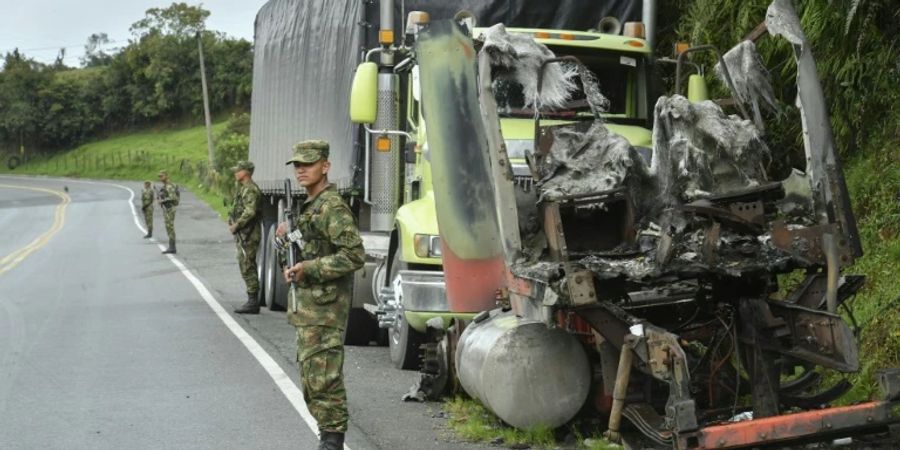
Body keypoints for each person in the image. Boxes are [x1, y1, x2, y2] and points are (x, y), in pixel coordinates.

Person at [281, 140, 364, 450]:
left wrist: (310, 268)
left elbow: (354, 255)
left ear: (325, 166)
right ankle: (327, 436)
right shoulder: (310, 207)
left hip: (326, 308)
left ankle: (332, 441)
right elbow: (306, 248)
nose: (302, 170)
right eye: (297, 165)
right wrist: (287, 247)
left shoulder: (332, 207)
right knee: (311, 378)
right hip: (309, 308)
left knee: (324, 378)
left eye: (308, 164)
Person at [230, 161, 263, 314]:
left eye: (238, 170)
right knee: (245, 264)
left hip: (248, 234)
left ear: (247, 172)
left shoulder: (250, 189)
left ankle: (253, 301)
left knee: (247, 265)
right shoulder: (243, 189)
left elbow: (250, 212)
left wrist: (237, 225)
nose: (236, 172)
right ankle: (252, 299)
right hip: (244, 234)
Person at [157, 170, 180, 254]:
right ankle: (171, 246)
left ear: (166, 176)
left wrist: (162, 201)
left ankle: (172, 247)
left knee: (170, 227)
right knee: (168, 226)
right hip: (167, 209)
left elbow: (172, 197)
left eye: (162, 176)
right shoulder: (165, 186)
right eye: (159, 176)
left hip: (170, 208)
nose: (160, 178)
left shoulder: (169, 186)